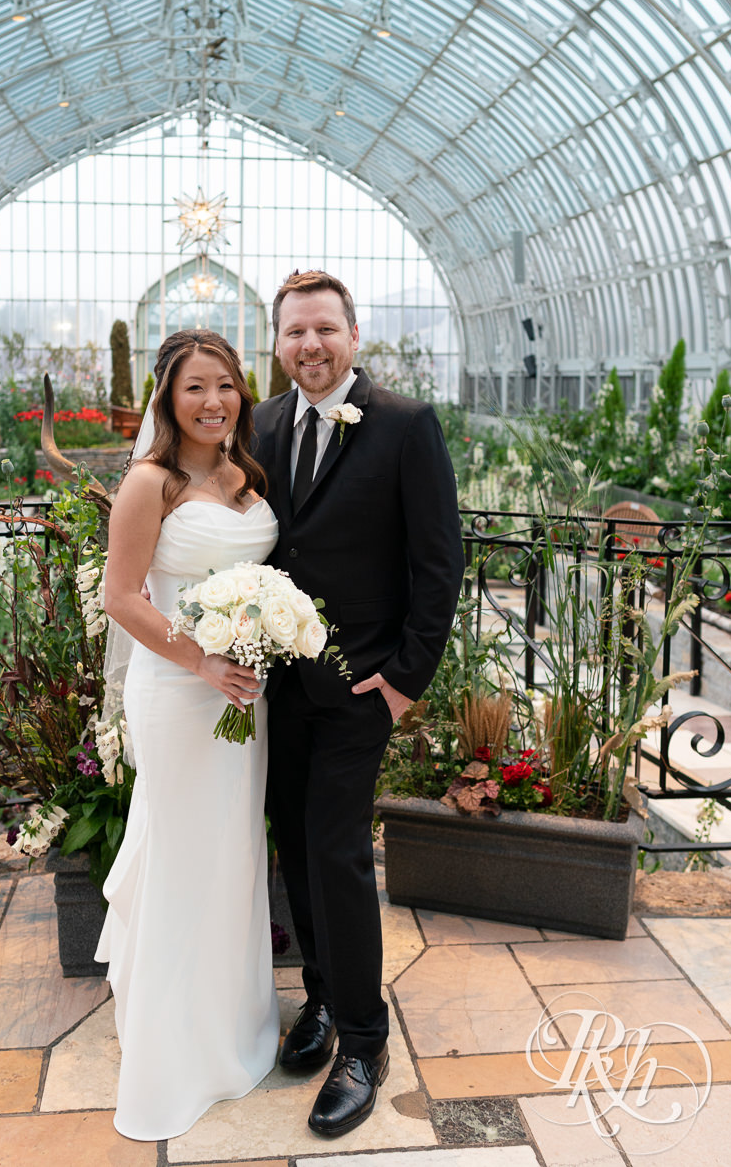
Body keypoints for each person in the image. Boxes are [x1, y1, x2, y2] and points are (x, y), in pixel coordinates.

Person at [253, 270, 464, 1138]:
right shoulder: (260, 424)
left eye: (324, 330)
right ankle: (321, 1000)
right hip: (274, 687)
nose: (309, 345)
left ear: (351, 334)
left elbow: (438, 559)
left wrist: (405, 683)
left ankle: (364, 1043)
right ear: (277, 341)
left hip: (359, 688)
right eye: (294, 332)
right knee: (295, 848)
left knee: (336, 851)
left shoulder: (405, 425)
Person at [98, 328, 280, 1141]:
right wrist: (201, 660)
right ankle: (174, 1053)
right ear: (167, 400)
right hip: (179, 690)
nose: (214, 402)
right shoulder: (150, 482)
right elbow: (122, 596)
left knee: (233, 852)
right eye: (195, 388)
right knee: (183, 852)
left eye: (226, 386)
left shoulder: (247, 474)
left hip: (245, 691)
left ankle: (228, 1024)